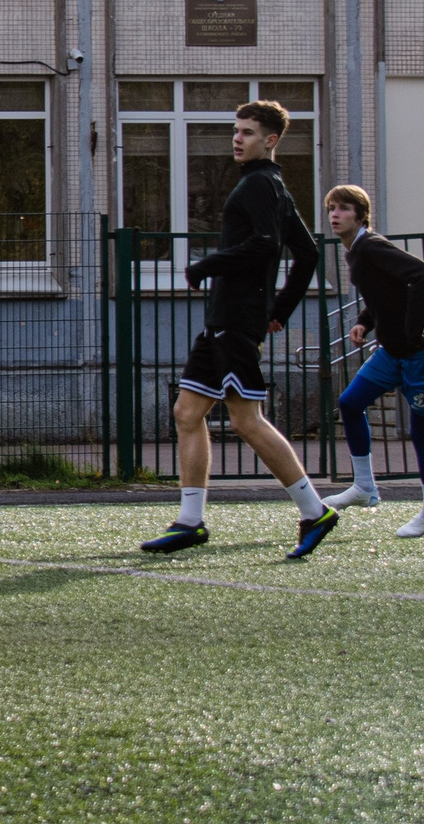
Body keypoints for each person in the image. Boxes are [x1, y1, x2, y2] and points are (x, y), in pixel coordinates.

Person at [140, 99, 340, 560]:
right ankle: (190, 522)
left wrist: (208, 264)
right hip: (225, 319)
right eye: (236, 130)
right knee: (187, 413)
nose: (237, 138)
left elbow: (266, 243)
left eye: (247, 132)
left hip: (234, 319)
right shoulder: (273, 186)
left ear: (270, 140)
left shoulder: (259, 185)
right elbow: (307, 254)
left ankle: (316, 511)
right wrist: (279, 310)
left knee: (246, 420)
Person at [319, 185, 424, 538]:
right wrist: (366, 320)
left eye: (344, 208)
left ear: (361, 215)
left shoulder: (372, 246)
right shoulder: (356, 251)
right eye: (331, 208)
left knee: (422, 431)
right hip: (393, 352)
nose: (335, 214)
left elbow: (422, 276)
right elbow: (386, 293)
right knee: (350, 403)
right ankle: (365, 488)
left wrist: (412, 330)